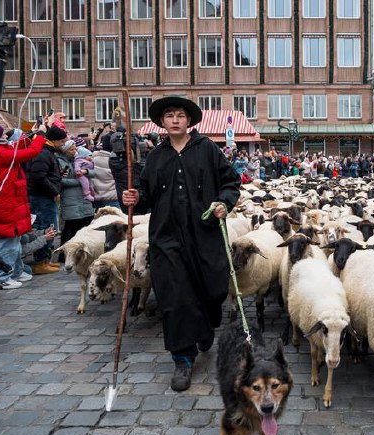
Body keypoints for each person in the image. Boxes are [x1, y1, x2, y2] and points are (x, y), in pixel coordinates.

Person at [122, 97, 241, 392]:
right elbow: (146, 196)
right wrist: (134, 200)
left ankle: (206, 324)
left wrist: (224, 203)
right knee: (175, 297)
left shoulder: (208, 151)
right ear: (162, 122)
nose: (175, 120)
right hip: (166, 237)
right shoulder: (156, 157)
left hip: (205, 235)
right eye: (169, 116)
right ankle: (182, 359)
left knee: (211, 291)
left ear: (189, 121)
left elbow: (231, 182)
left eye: (180, 115)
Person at [0, 125, 46, 289]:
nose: (6, 136)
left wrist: (31, 134)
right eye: (3, 133)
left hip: (11, 203)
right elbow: (28, 153)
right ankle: (2, 276)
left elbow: (16, 146)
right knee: (8, 243)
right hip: (5, 204)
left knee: (14, 240)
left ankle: (15, 271)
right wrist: (41, 137)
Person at [27, 126, 68, 275]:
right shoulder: (44, 153)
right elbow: (38, 177)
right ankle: (40, 261)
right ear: (55, 140)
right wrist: (54, 190)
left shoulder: (48, 152)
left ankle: (45, 260)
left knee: (49, 227)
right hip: (41, 198)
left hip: (44, 196)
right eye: (62, 141)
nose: (63, 144)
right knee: (45, 228)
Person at [56, 140, 95, 245]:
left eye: (75, 149)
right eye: (71, 149)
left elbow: (94, 172)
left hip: (83, 197)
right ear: (65, 150)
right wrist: (79, 182)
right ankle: (64, 254)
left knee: (85, 224)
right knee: (71, 226)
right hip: (70, 198)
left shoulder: (80, 159)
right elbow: (60, 180)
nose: (74, 151)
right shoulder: (59, 162)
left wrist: (86, 172)